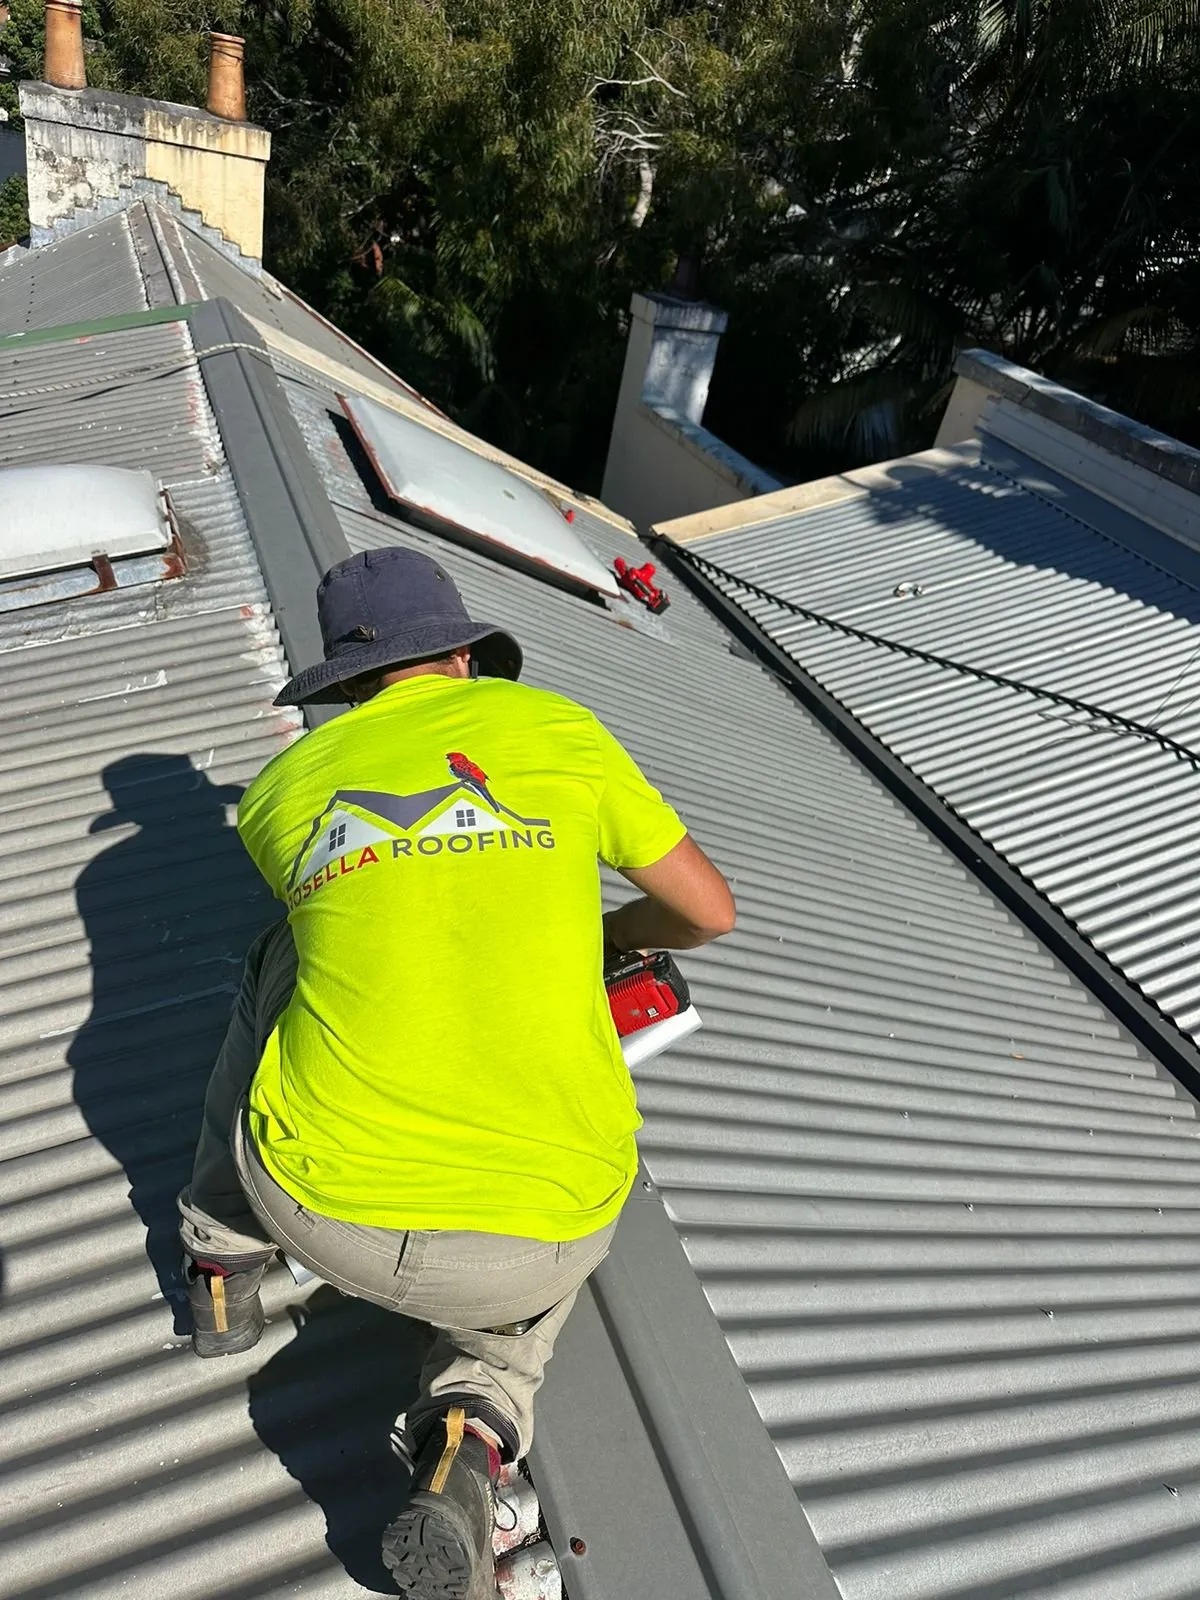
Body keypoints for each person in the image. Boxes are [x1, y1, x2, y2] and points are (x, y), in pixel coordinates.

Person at [177, 545, 735, 1600]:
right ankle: (470, 1429)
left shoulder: (284, 792)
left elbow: (391, 927)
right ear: (469, 659)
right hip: (524, 1245)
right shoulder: (559, 731)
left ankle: (218, 1265)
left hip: (314, 1202)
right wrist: (598, 934)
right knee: (519, 1298)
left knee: (287, 959)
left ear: (344, 686)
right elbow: (709, 911)